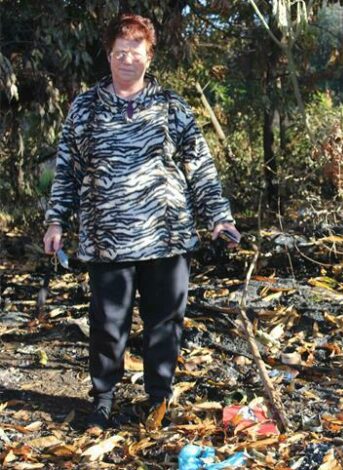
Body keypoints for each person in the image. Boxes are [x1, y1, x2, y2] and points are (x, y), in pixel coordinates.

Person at [42, 13, 240, 432]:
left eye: (135, 52)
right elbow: (67, 171)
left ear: (149, 56)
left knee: (164, 324)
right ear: (108, 55)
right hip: (106, 239)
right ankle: (103, 401)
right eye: (119, 52)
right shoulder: (85, 107)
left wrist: (218, 218)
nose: (126, 60)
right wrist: (56, 221)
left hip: (167, 238)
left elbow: (200, 166)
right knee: (107, 326)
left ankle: (158, 400)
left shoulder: (171, 106)